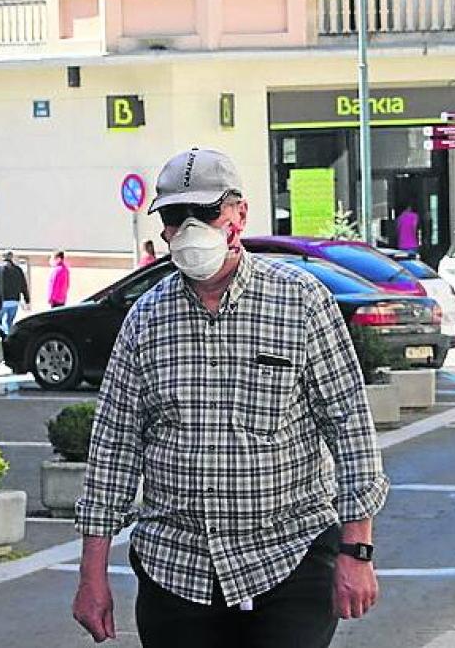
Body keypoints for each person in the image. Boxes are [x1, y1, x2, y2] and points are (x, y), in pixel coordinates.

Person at [73, 147, 388, 648]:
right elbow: (114, 449)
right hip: (177, 568)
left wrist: (357, 552)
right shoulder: (145, 321)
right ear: (164, 230)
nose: (190, 228)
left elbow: (350, 429)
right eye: (176, 216)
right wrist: (92, 576)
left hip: (288, 557)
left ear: (239, 215)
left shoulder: (301, 302)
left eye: (205, 212)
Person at [0, 250, 30, 335]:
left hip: (3, 300)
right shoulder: (18, 270)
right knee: (9, 322)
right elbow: (23, 285)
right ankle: (9, 337)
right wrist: (27, 299)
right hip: (15, 300)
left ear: (3, 258)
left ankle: (2, 337)